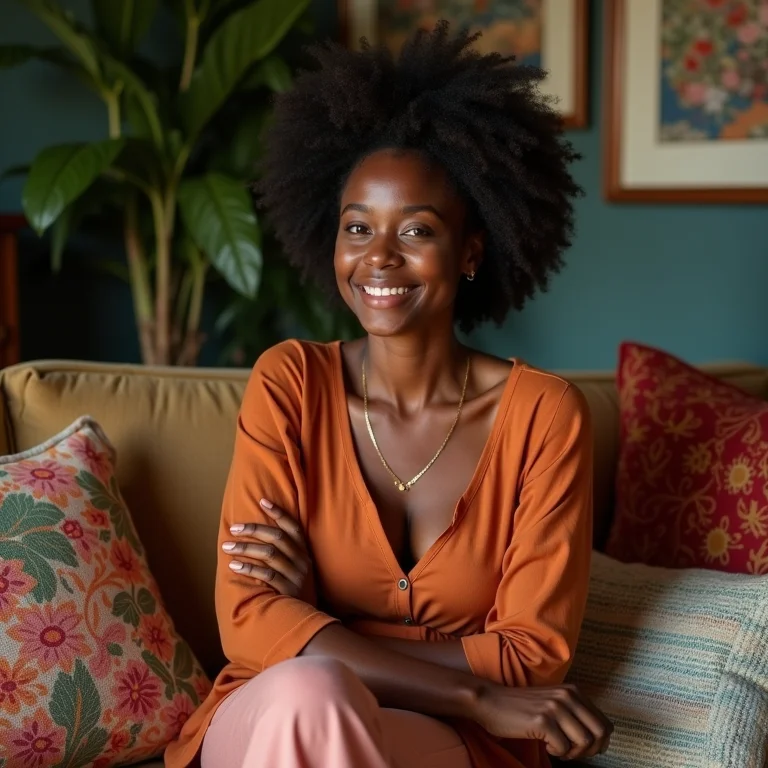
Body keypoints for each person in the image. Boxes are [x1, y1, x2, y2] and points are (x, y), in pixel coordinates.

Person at [165, 21, 612, 768]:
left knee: (317, 686)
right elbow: (248, 623)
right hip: (274, 712)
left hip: (444, 744)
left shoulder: (544, 417)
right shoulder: (290, 384)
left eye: (417, 231)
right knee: (310, 697)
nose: (379, 257)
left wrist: (316, 625)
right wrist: (473, 686)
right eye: (357, 227)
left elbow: (535, 658)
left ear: (471, 250)